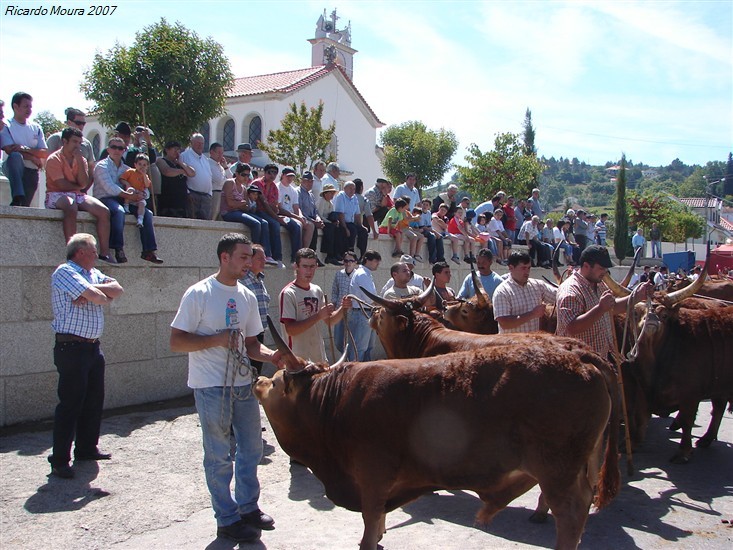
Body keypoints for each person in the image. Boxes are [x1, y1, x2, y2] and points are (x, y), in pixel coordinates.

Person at [170, 233, 280, 543]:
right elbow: (177, 341)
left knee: (252, 448)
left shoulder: (246, 296)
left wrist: (275, 357)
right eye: (243, 257)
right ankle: (226, 518)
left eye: (250, 257)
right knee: (218, 455)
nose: (249, 262)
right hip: (211, 386)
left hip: (242, 384)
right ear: (225, 258)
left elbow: (252, 344)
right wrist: (216, 340)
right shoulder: (199, 293)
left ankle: (248, 508)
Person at [48, 233, 123, 479]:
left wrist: (89, 289)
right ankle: (59, 459)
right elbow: (100, 299)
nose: (96, 254)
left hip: (92, 347)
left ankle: (86, 448)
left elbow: (117, 289)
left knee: (93, 399)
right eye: (92, 251)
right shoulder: (65, 271)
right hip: (71, 347)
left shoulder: (92, 274)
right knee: (71, 403)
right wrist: (93, 292)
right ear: (80, 252)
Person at [556, 245, 653, 358]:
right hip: (577, 363)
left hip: (599, 359)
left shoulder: (599, 284)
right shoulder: (570, 290)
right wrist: (600, 308)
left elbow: (612, 307)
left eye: (606, 268)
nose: (605, 272)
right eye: (601, 268)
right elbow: (572, 327)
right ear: (586, 266)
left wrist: (637, 296)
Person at [93, 137, 163, 264]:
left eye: (120, 148)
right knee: (119, 211)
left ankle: (149, 251)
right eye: (113, 147)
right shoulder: (101, 166)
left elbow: (141, 186)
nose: (117, 150)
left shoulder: (127, 169)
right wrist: (130, 195)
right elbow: (109, 188)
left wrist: (142, 195)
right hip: (105, 198)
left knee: (147, 213)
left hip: (125, 199)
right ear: (108, 149)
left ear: (124, 150)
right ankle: (118, 248)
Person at [44, 127, 112, 258]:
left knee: (104, 211)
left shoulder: (82, 160)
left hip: (77, 194)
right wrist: (78, 186)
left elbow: (84, 183)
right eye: (74, 142)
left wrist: (80, 162)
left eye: (79, 142)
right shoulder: (53, 159)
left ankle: (105, 253)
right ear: (65, 141)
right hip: (56, 194)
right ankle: (72, 252)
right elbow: (61, 185)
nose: (78, 146)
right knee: (71, 207)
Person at [279, 248, 351, 363]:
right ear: (296, 266)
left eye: (312, 266)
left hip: (318, 358)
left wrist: (343, 308)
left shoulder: (317, 290)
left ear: (316, 266)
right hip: (297, 360)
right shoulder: (288, 293)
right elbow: (291, 330)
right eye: (305, 266)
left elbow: (329, 321)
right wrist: (318, 316)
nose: (309, 271)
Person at [221, 164, 277, 265]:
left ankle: (267, 254)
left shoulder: (244, 188)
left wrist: (239, 204)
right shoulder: (230, 183)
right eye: (243, 175)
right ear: (237, 174)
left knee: (264, 223)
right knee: (256, 223)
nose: (246, 178)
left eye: (248, 175)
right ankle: (254, 252)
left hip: (239, 212)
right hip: (228, 213)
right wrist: (240, 204)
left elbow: (246, 206)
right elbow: (230, 204)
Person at [1, 92, 48, 206]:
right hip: (12, 167)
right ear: (15, 107)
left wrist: (25, 149)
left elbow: (44, 153)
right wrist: (33, 157)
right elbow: (10, 150)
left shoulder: (36, 128)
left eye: (30, 106)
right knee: (15, 157)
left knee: (25, 206)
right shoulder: (6, 126)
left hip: (31, 170)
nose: (29, 110)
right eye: (26, 106)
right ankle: (17, 195)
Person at [492, 251, 556, 333]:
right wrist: (532, 314)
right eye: (523, 268)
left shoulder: (537, 285)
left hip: (532, 343)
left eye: (529, 268)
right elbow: (504, 323)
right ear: (511, 268)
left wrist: (568, 282)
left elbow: (559, 296)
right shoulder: (502, 292)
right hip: (512, 344)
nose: (527, 272)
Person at [252, 164, 295, 265]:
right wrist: (276, 217)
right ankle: (271, 255)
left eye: (274, 173)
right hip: (257, 211)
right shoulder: (257, 184)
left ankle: (293, 257)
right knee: (273, 224)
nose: (272, 175)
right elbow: (264, 203)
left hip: (269, 213)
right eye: (269, 172)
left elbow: (274, 206)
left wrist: (275, 213)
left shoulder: (274, 187)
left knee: (295, 226)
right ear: (265, 173)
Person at [239, 244, 271, 375]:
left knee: (256, 371)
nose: (264, 261)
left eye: (265, 258)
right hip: (246, 335)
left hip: (259, 332)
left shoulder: (260, 280)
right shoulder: (242, 280)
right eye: (260, 258)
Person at [346, 249, 381, 361]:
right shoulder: (362, 274)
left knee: (367, 347)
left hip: (366, 312)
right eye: (376, 261)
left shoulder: (365, 274)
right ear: (368, 260)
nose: (377, 265)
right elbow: (370, 298)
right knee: (359, 348)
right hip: (362, 313)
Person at [46, 107, 96, 181]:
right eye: (78, 123)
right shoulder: (55, 139)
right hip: (58, 187)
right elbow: (47, 164)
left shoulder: (87, 144)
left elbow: (91, 168)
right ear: (69, 122)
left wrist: (84, 187)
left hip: (80, 189)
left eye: (83, 123)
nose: (81, 126)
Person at [277, 167, 313, 252]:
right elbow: (279, 208)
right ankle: (295, 254)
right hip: (282, 215)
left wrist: (300, 216)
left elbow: (296, 207)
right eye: (288, 176)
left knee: (309, 225)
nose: (290, 179)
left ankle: (304, 251)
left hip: (292, 215)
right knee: (297, 225)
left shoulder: (293, 190)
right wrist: (297, 218)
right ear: (282, 175)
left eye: (292, 176)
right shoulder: (277, 187)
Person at [156, 141, 194, 218]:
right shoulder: (161, 161)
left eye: (178, 150)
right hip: (168, 202)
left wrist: (181, 164)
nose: (177, 152)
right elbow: (167, 171)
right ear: (167, 150)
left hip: (182, 203)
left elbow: (192, 173)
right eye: (175, 149)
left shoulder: (180, 164)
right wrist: (183, 171)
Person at [330, 250, 358, 353]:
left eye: (351, 261)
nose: (348, 263)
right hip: (339, 312)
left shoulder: (358, 276)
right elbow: (334, 291)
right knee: (338, 340)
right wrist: (333, 304)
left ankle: (349, 362)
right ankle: (343, 357)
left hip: (353, 312)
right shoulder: (338, 274)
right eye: (346, 261)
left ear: (355, 262)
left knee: (351, 340)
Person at [180, 133, 213, 219]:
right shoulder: (184, 156)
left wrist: (209, 194)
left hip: (206, 198)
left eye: (202, 143)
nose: (200, 145)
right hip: (192, 195)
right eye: (197, 143)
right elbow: (182, 177)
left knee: (205, 225)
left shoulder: (205, 159)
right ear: (191, 143)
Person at [334, 180, 367, 260]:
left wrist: (361, 225)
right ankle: (349, 252)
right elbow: (340, 214)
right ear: (345, 188)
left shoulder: (354, 197)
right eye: (350, 188)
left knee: (363, 231)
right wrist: (345, 228)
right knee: (351, 230)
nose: (352, 191)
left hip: (351, 222)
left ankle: (362, 254)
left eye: (354, 189)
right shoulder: (341, 196)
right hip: (342, 222)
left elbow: (357, 214)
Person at [119, 154, 153, 227]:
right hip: (132, 191)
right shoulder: (130, 171)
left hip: (140, 195)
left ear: (147, 167)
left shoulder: (145, 176)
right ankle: (126, 207)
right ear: (135, 164)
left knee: (142, 204)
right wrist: (127, 184)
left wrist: (144, 175)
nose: (142, 167)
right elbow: (121, 179)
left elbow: (147, 185)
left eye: (144, 165)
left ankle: (140, 219)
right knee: (130, 190)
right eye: (140, 164)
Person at [316, 183, 343, 265]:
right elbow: (319, 214)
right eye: (330, 193)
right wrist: (330, 222)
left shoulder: (331, 203)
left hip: (329, 222)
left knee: (339, 230)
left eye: (333, 193)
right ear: (325, 193)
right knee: (330, 229)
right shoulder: (321, 201)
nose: (332, 195)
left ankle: (336, 254)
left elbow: (331, 214)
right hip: (322, 221)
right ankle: (329, 255)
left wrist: (335, 221)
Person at [419, 198, 445, 264]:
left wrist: (436, 232)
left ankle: (440, 258)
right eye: (423, 204)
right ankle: (432, 258)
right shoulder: (419, 212)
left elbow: (429, 225)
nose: (424, 206)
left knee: (439, 236)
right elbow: (422, 226)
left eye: (427, 205)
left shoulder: (428, 213)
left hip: (427, 228)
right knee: (432, 236)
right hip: (420, 229)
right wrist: (433, 232)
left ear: (429, 207)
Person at [208, 142, 229, 221]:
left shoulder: (221, 167)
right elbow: (218, 181)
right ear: (211, 152)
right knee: (212, 217)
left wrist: (226, 167)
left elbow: (230, 179)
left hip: (222, 195)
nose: (221, 155)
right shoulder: (208, 164)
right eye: (219, 153)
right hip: (214, 193)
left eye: (222, 153)